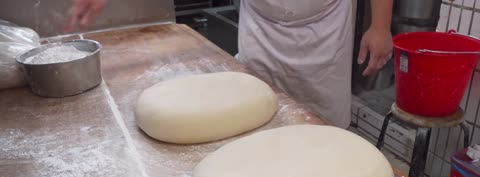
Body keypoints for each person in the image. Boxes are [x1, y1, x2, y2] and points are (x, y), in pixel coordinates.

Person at [65, 0, 393, 129]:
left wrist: (380, 24)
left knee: (323, 127)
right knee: (255, 117)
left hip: (324, 28)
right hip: (263, 27)